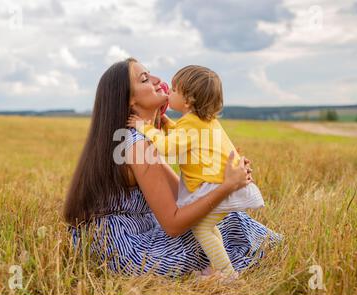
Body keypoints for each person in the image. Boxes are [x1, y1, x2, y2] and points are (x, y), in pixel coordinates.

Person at [63, 57, 281, 278]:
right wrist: (226, 187)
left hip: (133, 236)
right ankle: (227, 275)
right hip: (130, 252)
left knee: (228, 218)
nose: (158, 80)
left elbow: (185, 197)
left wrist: (222, 172)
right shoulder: (136, 144)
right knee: (231, 225)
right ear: (129, 99)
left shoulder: (141, 137)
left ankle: (229, 266)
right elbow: (174, 224)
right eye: (145, 79)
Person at [127, 65, 265, 277]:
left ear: (188, 100)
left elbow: (168, 147)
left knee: (201, 228)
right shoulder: (202, 121)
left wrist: (145, 128)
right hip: (218, 182)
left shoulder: (191, 125)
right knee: (208, 227)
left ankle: (227, 275)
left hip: (216, 185)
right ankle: (221, 266)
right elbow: (183, 138)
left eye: (173, 90)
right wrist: (166, 125)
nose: (168, 92)